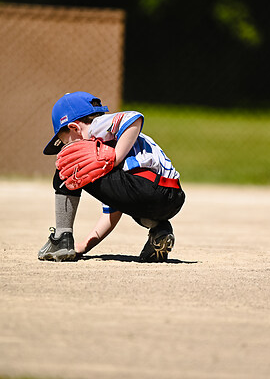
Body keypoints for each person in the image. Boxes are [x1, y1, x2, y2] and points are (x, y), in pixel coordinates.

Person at [38, 91, 185, 263]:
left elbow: (134, 118)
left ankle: (61, 237)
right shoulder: (110, 145)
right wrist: (84, 246)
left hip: (145, 187)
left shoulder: (95, 126)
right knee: (131, 205)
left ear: (74, 128)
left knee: (67, 166)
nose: (66, 148)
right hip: (171, 198)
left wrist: (115, 157)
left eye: (66, 142)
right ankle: (160, 229)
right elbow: (112, 214)